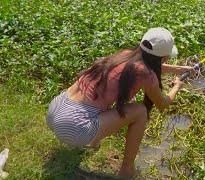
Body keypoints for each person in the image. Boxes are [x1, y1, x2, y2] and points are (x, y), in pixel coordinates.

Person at [46, 27, 193, 177]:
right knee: (140, 111)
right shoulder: (147, 75)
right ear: (163, 58)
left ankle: (86, 143)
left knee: (100, 101)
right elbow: (163, 103)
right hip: (73, 126)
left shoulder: (125, 55)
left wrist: (178, 69)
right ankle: (126, 171)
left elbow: (147, 65)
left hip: (55, 109)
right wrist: (177, 86)